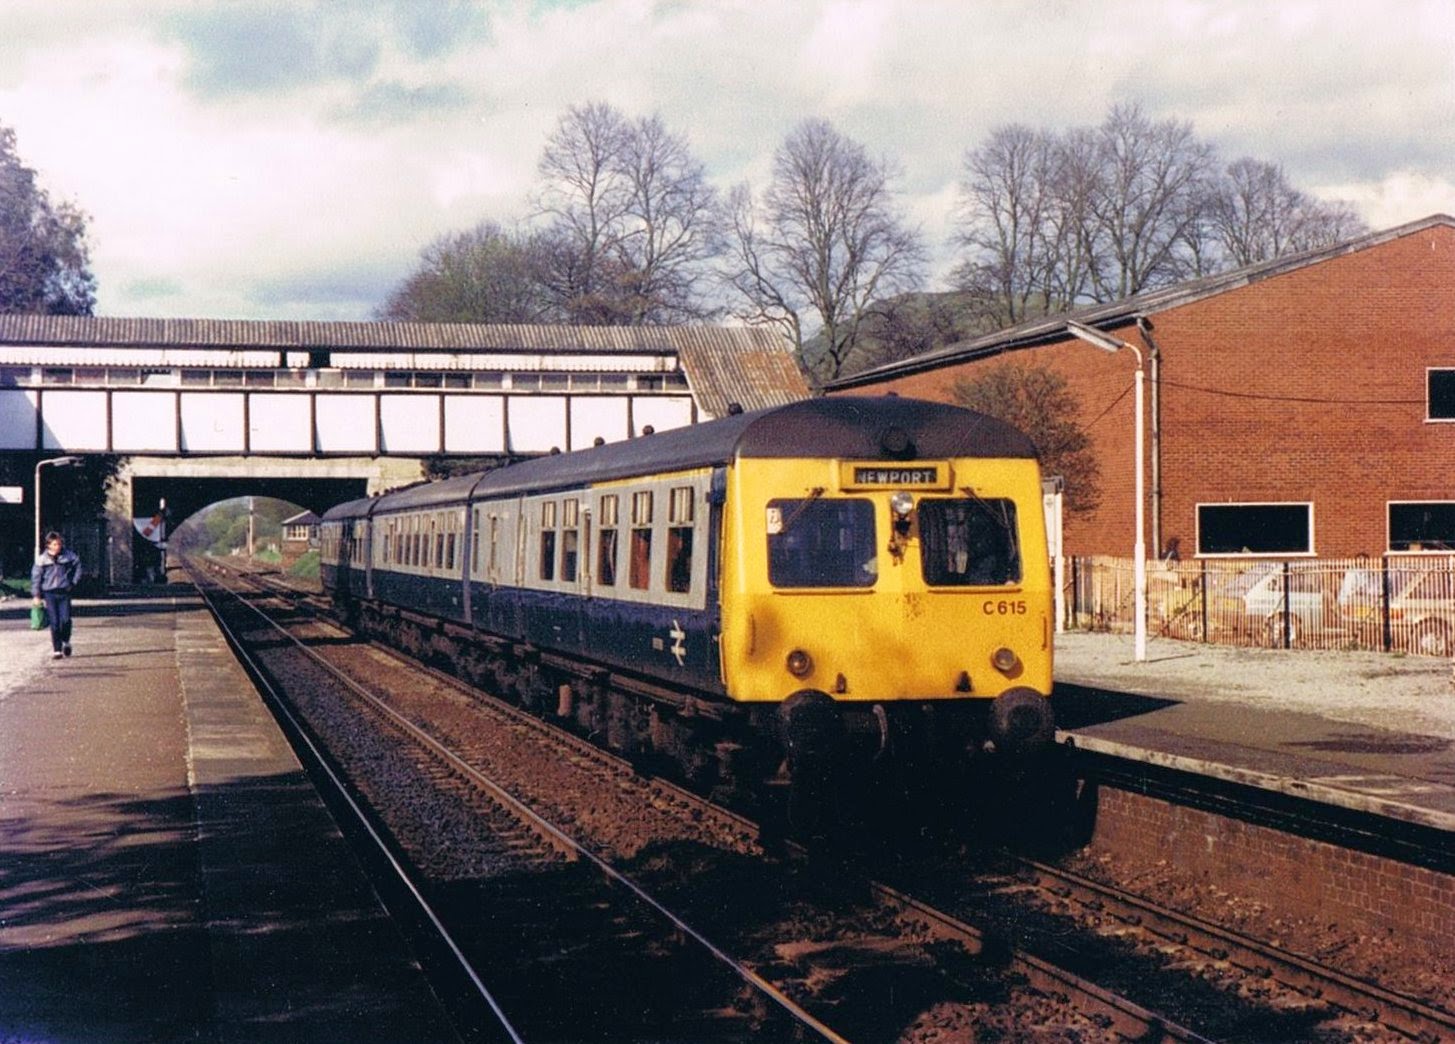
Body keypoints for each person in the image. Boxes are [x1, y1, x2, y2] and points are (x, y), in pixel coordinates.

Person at [31, 532, 82, 660]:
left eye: (59, 544)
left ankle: (66, 641)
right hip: (49, 593)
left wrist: (74, 582)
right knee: (54, 622)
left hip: (64, 592)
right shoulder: (42, 560)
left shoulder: (68, 556)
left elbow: (78, 567)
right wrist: (36, 594)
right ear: (48, 545)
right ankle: (57, 650)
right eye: (54, 544)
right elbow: (36, 578)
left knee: (65, 620)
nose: (57, 546)